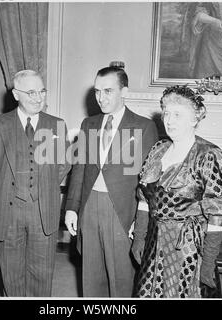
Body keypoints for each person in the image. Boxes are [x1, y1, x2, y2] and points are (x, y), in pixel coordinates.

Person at [132, 85, 222, 298]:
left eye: (177, 115)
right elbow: (144, 198)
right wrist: (139, 238)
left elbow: (218, 211)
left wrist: (208, 262)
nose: (169, 120)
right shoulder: (158, 150)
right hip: (155, 242)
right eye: (166, 113)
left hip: (187, 247)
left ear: (194, 119)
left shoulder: (208, 154)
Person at [64, 66, 158, 297]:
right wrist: (71, 208)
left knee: (122, 279)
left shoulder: (144, 127)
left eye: (108, 91)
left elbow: (149, 181)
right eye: (97, 91)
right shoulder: (89, 124)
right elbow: (80, 170)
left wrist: (142, 220)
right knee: (91, 276)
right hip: (89, 207)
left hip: (122, 210)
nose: (100, 98)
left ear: (124, 91)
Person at [0, 70, 71, 297]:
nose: (38, 98)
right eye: (30, 92)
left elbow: (63, 164)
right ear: (16, 94)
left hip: (43, 212)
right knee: (12, 275)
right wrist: (8, 189)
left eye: (42, 91)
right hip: (9, 212)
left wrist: (43, 187)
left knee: (42, 276)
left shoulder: (56, 125)